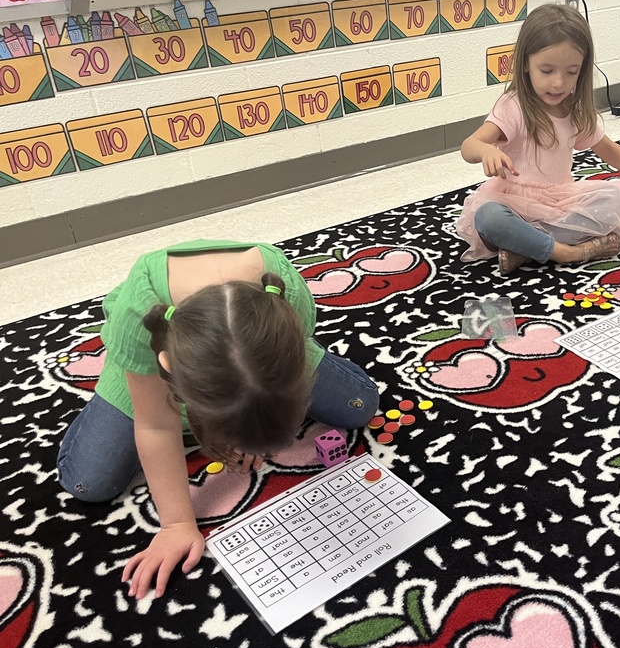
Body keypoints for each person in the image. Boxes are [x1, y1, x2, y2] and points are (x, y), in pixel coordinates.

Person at [56, 240, 379, 599]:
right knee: (89, 483)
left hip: (265, 346)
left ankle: (254, 385)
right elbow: (156, 424)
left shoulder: (285, 289)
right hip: (144, 367)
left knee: (356, 406)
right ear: (171, 368)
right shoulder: (140, 318)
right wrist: (177, 524)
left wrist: (248, 424)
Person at [457, 2, 620, 275]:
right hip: (513, 204)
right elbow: (469, 146)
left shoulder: (574, 110)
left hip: (559, 204)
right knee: (488, 218)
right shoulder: (513, 106)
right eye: (547, 70)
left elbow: (607, 149)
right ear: (525, 64)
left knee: (614, 198)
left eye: (571, 72)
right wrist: (485, 151)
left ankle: (526, 247)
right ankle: (566, 252)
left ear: (582, 70)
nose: (558, 83)